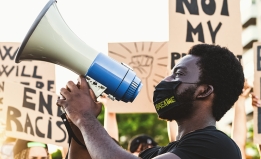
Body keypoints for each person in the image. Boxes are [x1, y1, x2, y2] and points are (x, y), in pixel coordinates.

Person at [57, 44, 244, 158]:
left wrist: (84, 116)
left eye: (178, 74)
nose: (166, 81)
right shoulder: (154, 154)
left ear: (203, 91)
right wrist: (76, 122)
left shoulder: (217, 146)